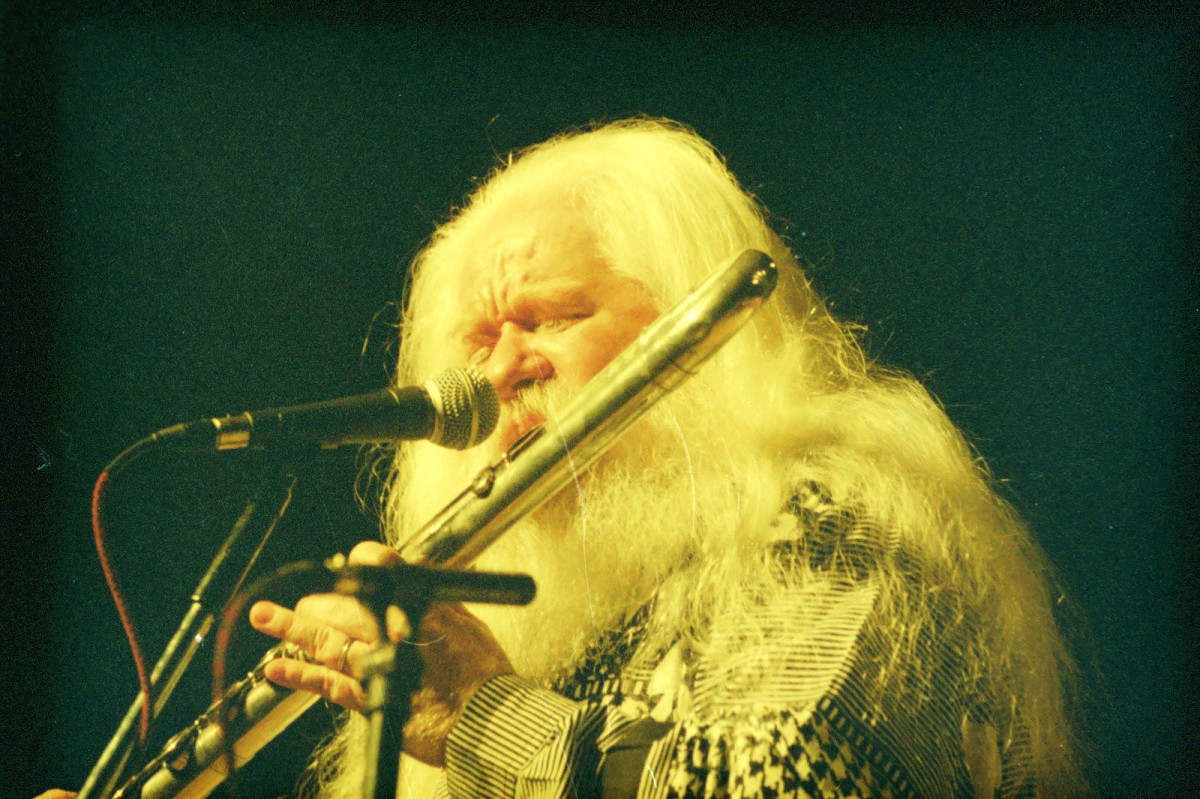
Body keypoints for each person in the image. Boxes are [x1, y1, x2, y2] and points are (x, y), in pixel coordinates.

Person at [245, 118, 1085, 798]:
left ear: (694, 335)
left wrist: (484, 716)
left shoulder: (832, 520)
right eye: (478, 341)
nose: (501, 372)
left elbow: (795, 781)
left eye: (550, 319)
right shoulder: (569, 617)